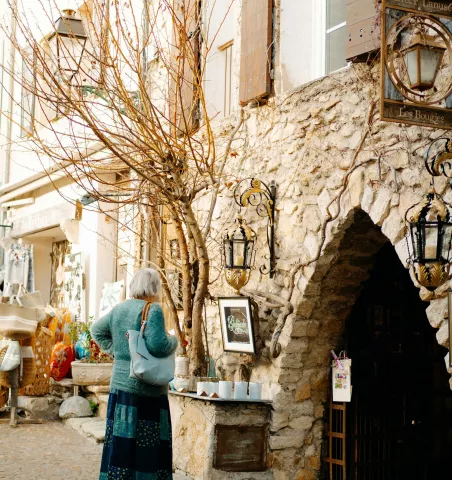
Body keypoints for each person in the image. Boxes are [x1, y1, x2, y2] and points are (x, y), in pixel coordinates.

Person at [91, 268, 178, 480]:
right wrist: (174, 340)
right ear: (155, 287)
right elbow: (158, 346)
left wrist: (117, 352)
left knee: (121, 444)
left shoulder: (119, 309)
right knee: (147, 448)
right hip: (146, 390)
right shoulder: (153, 310)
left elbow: (96, 330)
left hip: (119, 387)